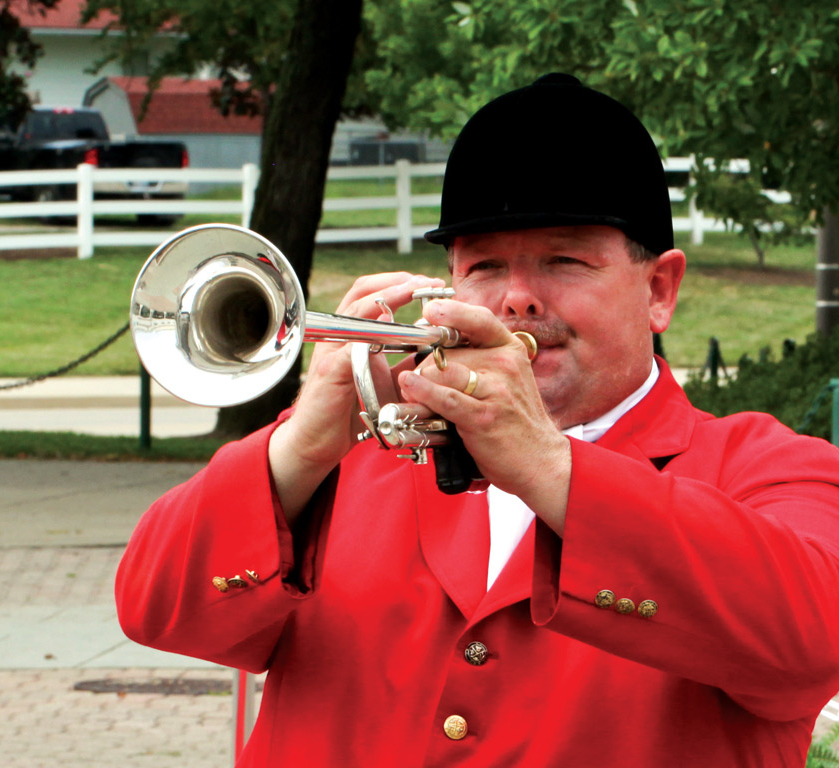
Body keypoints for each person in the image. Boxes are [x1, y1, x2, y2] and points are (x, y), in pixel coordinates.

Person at [115, 73, 839, 766]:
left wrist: (549, 467)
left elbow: (814, 642)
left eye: (564, 260)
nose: (518, 299)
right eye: (486, 266)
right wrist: (301, 442)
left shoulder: (769, 466)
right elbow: (153, 610)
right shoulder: (344, 460)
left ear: (659, 290)